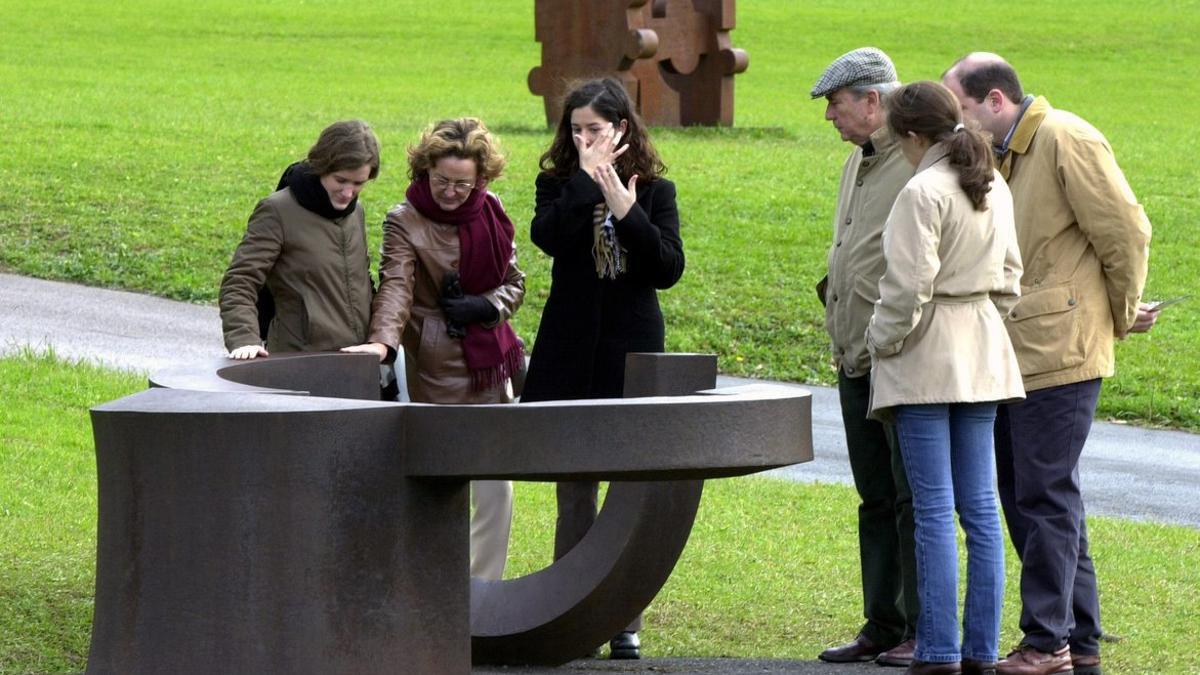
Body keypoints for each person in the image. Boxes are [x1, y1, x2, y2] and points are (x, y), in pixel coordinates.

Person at [942, 53, 1154, 675]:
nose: (958, 126)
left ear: (996, 101)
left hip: (1061, 353)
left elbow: (1127, 232)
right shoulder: (1003, 151)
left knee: (1043, 497)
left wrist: (1118, 314)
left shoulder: (1066, 137)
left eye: (961, 111)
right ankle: (1077, 642)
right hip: (1015, 353)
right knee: (1029, 495)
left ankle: (1047, 644)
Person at [520, 77, 685, 660]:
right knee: (575, 487)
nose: (585, 138)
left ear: (621, 127)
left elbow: (666, 269)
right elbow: (548, 238)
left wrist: (626, 208)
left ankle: (624, 621)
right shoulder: (555, 183)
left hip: (630, 351)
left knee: (628, 489)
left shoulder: (656, 189)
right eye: (577, 129)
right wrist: (589, 186)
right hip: (569, 350)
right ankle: (572, 615)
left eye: (596, 128)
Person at [867, 80, 1025, 675]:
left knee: (933, 508)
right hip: (983, 351)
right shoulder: (992, 182)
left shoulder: (921, 190)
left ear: (912, 136)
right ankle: (979, 649)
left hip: (928, 356)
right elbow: (1011, 277)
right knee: (980, 509)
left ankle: (937, 649)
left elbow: (907, 289)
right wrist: (980, 318)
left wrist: (879, 341)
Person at [342, 118, 525, 582]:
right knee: (437, 483)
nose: (451, 191)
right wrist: (383, 343)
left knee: (495, 487)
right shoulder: (404, 218)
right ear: (424, 170)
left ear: (481, 179)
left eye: (463, 183)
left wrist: (483, 307)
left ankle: (482, 591)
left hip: (488, 363)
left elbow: (515, 284)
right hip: (433, 364)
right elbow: (396, 288)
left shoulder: (493, 209)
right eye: (442, 180)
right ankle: (431, 588)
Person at [809, 47, 920, 667]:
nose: (831, 116)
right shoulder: (859, 159)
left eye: (836, 103)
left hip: (901, 358)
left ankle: (923, 629)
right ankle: (884, 622)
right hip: (854, 357)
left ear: (872, 101)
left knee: (912, 498)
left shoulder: (917, 157)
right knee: (875, 497)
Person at [220, 120, 379, 360]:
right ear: (321, 167)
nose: (348, 193)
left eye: (358, 183)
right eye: (340, 180)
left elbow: (360, 281)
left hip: (356, 361)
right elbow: (240, 281)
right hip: (297, 360)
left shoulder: (356, 212)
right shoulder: (277, 210)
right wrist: (244, 339)